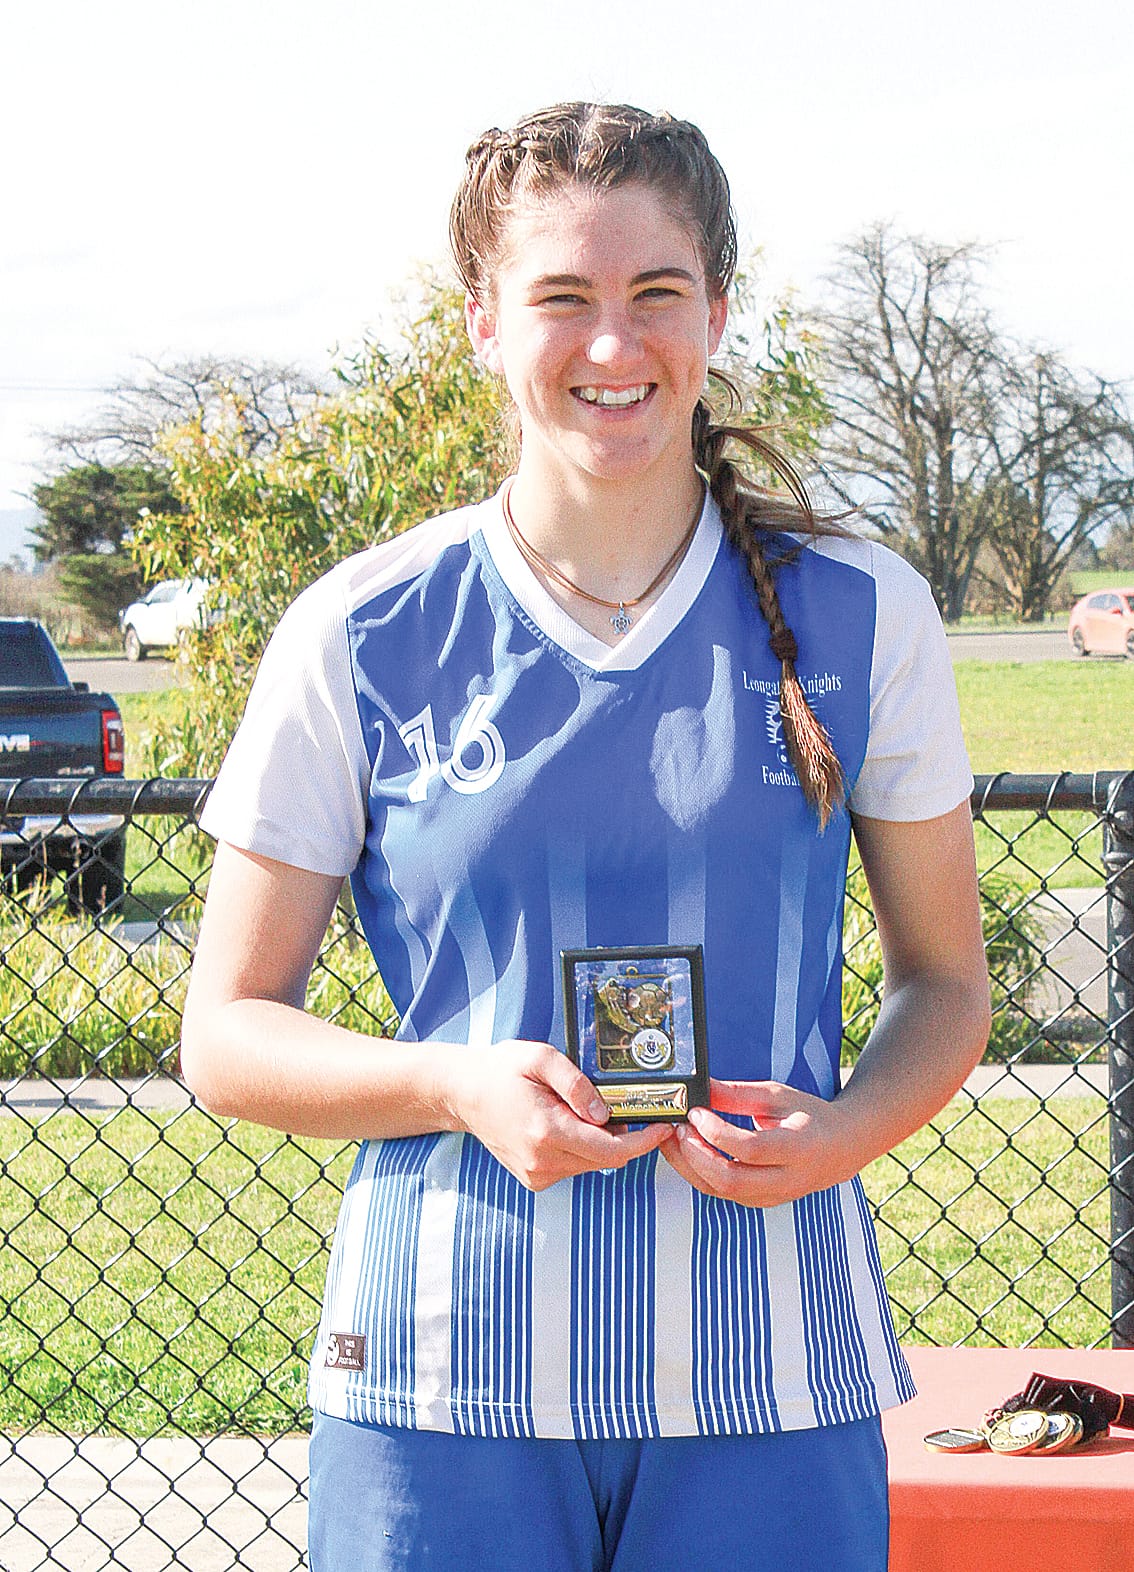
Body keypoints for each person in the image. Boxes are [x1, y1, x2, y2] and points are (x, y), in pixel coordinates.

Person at [181, 102, 991, 1572]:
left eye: (653, 294)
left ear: (717, 312)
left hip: (774, 1375)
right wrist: (451, 1081)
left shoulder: (863, 612)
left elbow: (943, 983)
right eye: (561, 297)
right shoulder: (359, 630)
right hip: (440, 1381)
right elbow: (225, 1035)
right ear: (483, 320)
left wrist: (848, 1130)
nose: (611, 346)